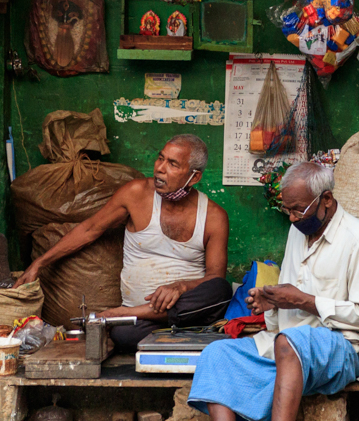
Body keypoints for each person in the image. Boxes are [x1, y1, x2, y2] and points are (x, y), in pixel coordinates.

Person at [164, 161, 359, 421]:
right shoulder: (299, 232)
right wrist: (269, 304)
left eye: (298, 210)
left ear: (326, 199)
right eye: (288, 210)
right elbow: (286, 309)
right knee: (217, 353)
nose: (293, 218)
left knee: (289, 343)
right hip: (288, 342)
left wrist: (302, 300)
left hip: (343, 346)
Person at [15, 134, 232, 352]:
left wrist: (181, 286)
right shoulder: (136, 194)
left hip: (188, 310)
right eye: (160, 158)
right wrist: (38, 264)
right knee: (123, 335)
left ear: (194, 178)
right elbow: (89, 229)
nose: (160, 168)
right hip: (140, 321)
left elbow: (215, 277)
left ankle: (134, 317)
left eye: (172, 164)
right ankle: (164, 327)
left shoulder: (214, 217)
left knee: (221, 290)